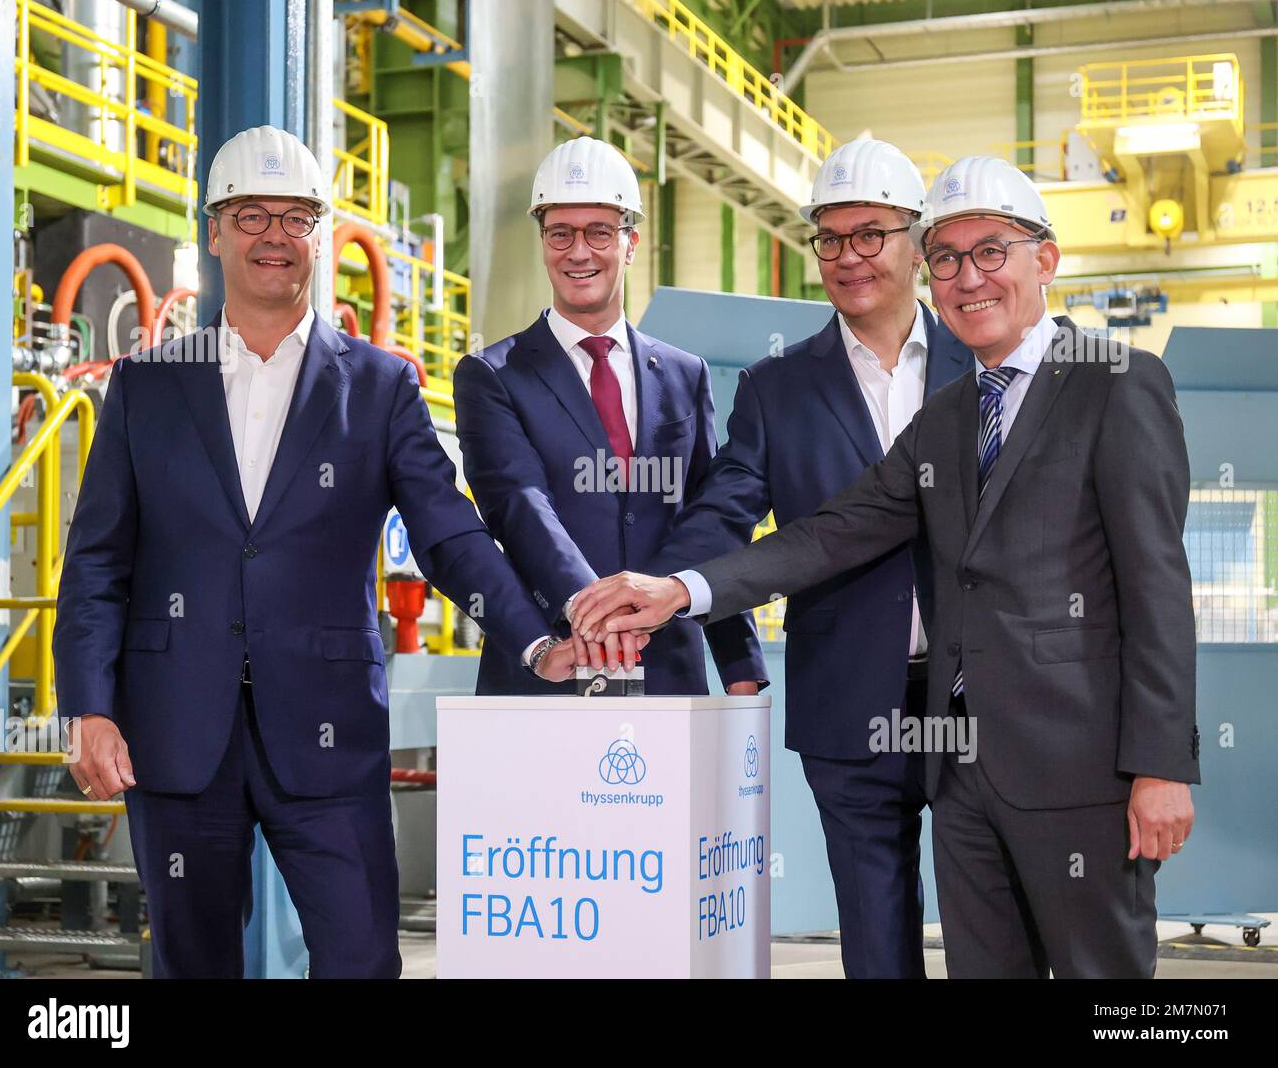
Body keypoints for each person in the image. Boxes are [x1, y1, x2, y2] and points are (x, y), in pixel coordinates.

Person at [571, 156, 1199, 979]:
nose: (967, 277)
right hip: (963, 772)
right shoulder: (947, 420)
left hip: (1076, 765)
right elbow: (834, 532)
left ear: (1044, 259)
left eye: (991, 252)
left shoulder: (1115, 383)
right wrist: (681, 589)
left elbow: (1157, 587)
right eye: (949, 259)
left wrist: (1160, 766)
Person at [52, 126, 612, 979]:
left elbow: (448, 529)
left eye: (296, 216)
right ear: (213, 230)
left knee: (359, 957)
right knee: (190, 963)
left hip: (330, 726)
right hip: (174, 731)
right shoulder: (147, 385)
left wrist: (534, 636)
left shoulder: (380, 385)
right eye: (251, 215)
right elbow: (97, 562)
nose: (274, 235)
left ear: (321, 233)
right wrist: (88, 705)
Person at [606, 137, 972, 977]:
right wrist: (671, 586)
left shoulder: (979, 360)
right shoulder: (779, 387)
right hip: (847, 701)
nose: (849, 258)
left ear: (917, 240)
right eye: (831, 238)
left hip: (977, 697)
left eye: (870, 233)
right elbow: (725, 511)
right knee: (877, 945)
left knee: (991, 931)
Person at [453, 136, 766, 696]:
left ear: (630, 243)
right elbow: (518, 503)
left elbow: (709, 520)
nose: (579, 252)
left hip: (668, 663)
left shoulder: (683, 374)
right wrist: (589, 608)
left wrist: (740, 666)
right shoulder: (492, 375)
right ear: (543, 242)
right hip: (553, 663)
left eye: (599, 232)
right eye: (560, 233)